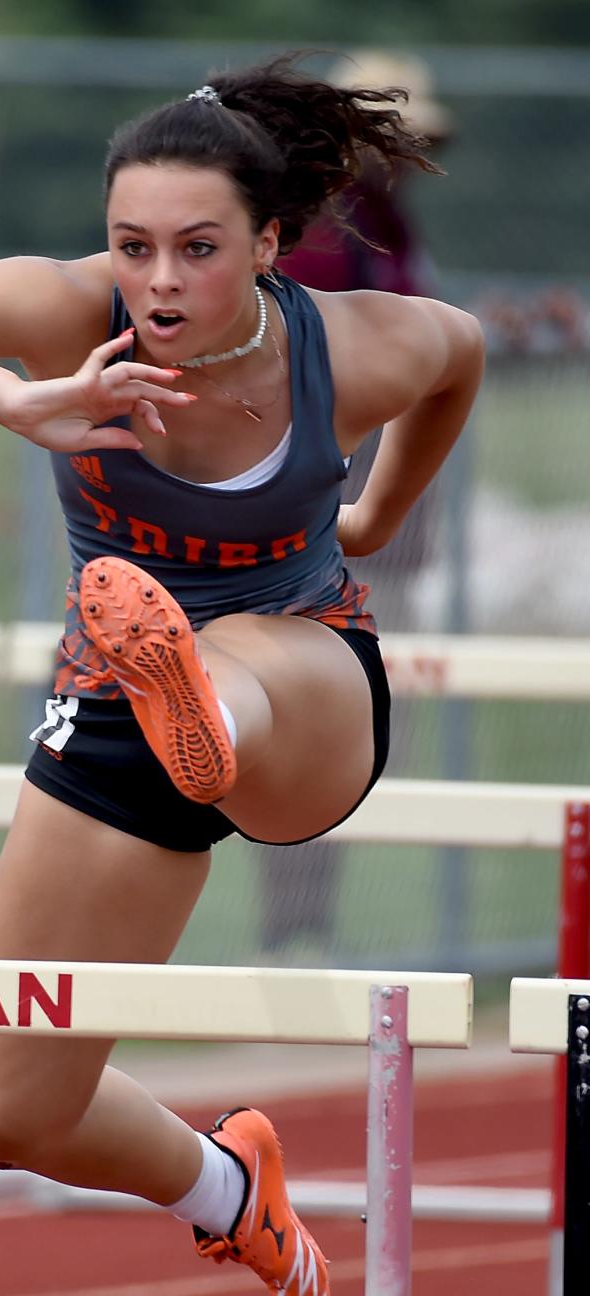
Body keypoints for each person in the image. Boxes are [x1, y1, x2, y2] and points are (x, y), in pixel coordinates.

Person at [0, 54, 484, 1296]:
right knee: (7, 1109)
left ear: (274, 242)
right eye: (133, 246)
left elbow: (464, 356)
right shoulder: (72, 316)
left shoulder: (354, 347)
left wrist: (379, 514)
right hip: (120, 697)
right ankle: (230, 1184)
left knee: (233, 677)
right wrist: (16, 399)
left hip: (304, 677)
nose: (158, 282)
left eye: (198, 248)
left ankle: (203, 709)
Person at [259, 52, 454, 958]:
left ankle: (318, 922)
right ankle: (294, 924)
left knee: (365, 719)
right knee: (315, 713)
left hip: (376, 502)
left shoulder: (379, 218)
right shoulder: (316, 229)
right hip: (327, 480)